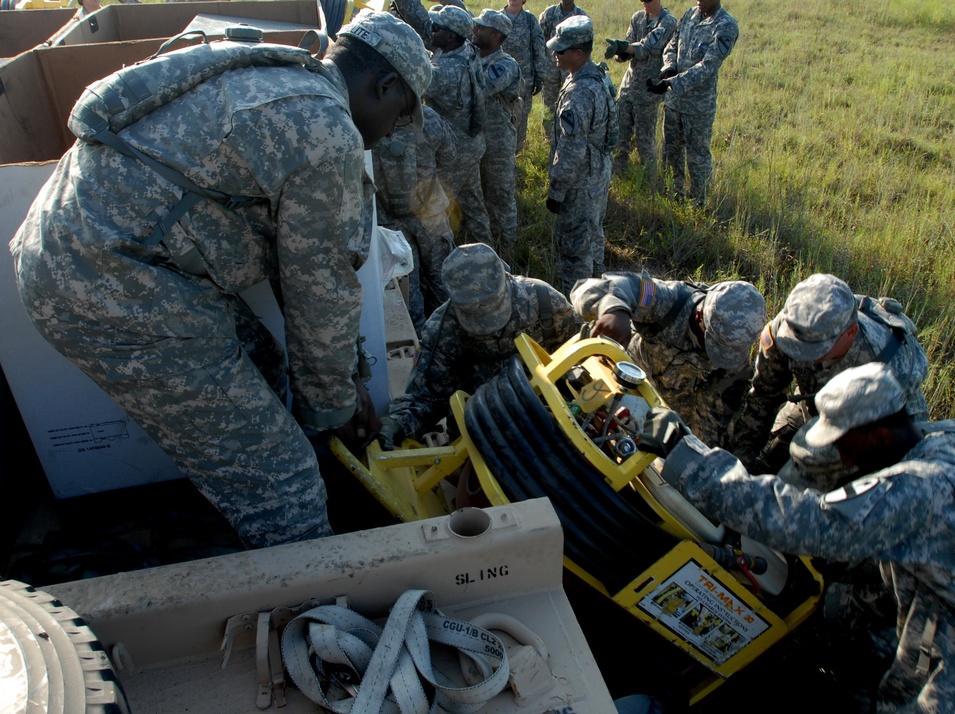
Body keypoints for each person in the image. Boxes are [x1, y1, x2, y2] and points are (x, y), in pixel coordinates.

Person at [8, 12, 431, 549]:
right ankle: (310, 607)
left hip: (97, 254)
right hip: (108, 285)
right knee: (283, 481)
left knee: (268, 367)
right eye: (400, 116)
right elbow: (317, 293)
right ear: (385, 84)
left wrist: (343, 380)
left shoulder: (279, 75)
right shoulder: (327, 131)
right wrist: (337, 407)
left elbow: (302, 275)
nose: (391, 133)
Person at [637, 363, 955, 711]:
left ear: (881, 435)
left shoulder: (916, 492)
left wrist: (686, 456)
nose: (838, 454)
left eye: (843, 442)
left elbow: (799, 521)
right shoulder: (943, 452)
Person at [378, 243, 583, 448]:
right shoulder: (442, 331)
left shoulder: (545, 302)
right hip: (481, 435)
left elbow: (582, 352)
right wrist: (394, 424)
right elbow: (426, 398)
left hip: (555, 420)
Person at [730, 273, 929, 474]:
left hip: (862, 427)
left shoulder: (890, 366)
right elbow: (763, 397)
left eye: (813, 349)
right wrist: (741, 461)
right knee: (764, 462)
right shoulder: (789, 329)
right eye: (795, 345)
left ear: (850, 333)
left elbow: (896, 445)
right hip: (809, 403)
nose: (801, 354)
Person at [571, 273, 766, 447]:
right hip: (614, 370)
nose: (712, 354)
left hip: (657, 411)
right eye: (713, 344)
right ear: (700, 315)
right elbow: (588, 287)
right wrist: (614, 309)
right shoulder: (669, 300)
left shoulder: (732, 360)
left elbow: (710, 424)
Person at [393, 1, 493, 248]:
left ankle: (446, 257)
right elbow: (424, 24)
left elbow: (415, 81)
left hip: (454, 151)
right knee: (474, 204)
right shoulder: (465, 49)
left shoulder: (446, 71)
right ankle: (492, 252)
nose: (430, 31)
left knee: (436, 210)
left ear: (449, 36)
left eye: (436, 28)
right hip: (471, 143)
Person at [545, 15, 616, 294]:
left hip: (579, 184)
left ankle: (577, 312)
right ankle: (599, 295)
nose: (555, 54)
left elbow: (571, 150)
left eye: (560, 50)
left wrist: (556, 191)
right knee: (593, 237)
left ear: (578, 53)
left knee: (574, 250)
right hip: (597, 174)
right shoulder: (595, 76)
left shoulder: (578, 93)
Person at [371, 104, 458, 332]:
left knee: (405, 286)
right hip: (430, 213)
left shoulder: (367, 118)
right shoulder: (427, 117)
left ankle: (416, 344)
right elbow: (450, 156)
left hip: (388, 221)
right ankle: (445, 332)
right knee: (442, 278)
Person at [647, 0, 738, 204]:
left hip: (698, 107)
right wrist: (668, 68)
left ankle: (699, 203)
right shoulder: (689, 15)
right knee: (671, 152)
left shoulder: (725, 26)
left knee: (697, 156)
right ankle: (673, 195)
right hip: (673, 102)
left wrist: (672, 83)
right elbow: (672, 44)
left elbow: (708, 66)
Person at [604, 0, 676, 180]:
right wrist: (620, 52)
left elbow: (646, 48)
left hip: (648, 91)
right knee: (620, 136)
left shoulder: (667, 22)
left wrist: (625, 47)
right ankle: (618, 176)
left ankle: (650, 183)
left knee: (645, 142)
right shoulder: (637, 18)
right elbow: (628, 46)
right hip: (628, 87)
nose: (644, 3)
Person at [471, 9, 522, 251]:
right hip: (473, 139)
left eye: (481, 28)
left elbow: (481, 88)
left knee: (499, 195)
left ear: (496, 36)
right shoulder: (471, 56)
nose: (475, 30)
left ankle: (506, 251)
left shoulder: (505, 65)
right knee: (476, 194)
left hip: (497, 141)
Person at [500, 0, 547, 152]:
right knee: (500, 114)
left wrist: (540, 75)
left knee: (521, 114)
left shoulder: (530, 20)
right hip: (500, 79)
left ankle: (517, 152)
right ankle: (502, 151)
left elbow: (539, 48)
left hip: (524, 78)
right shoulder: (498, 18)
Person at [538, 0, 588, 141]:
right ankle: (550, 136)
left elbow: (586, 45)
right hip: (551, 66)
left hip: (573, 68)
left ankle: (569, 134)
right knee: (549, 102)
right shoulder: (549, 14)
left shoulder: (581, 16)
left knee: (572, 101)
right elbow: (541, 40)